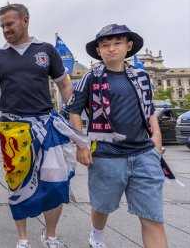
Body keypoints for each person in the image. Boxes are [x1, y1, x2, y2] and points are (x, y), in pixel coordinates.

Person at [0, 3, 87, 248]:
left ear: (25, 20)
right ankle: (23, 239)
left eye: (10, 24)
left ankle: (50, 235)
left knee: (56, 180)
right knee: (16, 182)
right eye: (2, 26)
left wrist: (74, 117)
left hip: (46, 124)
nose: (5, 30)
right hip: (13, 128)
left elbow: (64, 86)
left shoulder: (46, 50)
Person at [67, 24, 168, 248]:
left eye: (117, 43)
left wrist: (156, 139)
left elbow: (149, 110)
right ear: (99, 51)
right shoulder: (90, 78)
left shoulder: (141, 76)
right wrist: (81, 146)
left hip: (144, 154)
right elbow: (74, 111)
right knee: (103, 206)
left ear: (128, 46)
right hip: (106, 154)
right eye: (105, 45)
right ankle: (97, 234)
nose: (111, 49)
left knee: (153, 218)